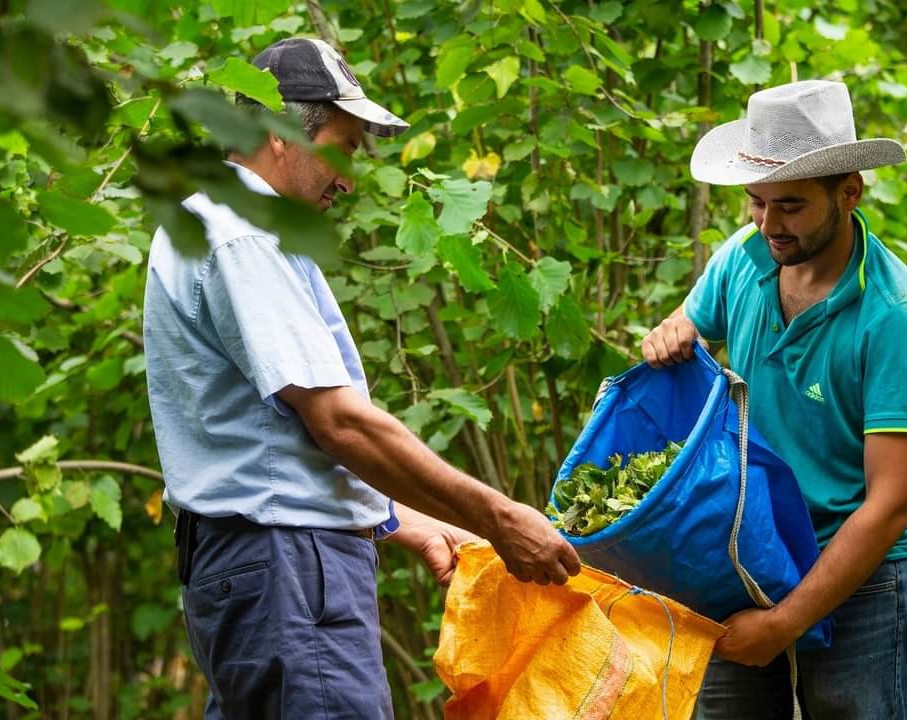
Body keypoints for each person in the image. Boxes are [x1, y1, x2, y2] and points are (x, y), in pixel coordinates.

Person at [143, 37, 580, 719]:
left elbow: (265, 446)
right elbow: (339, 423)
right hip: (288, 571)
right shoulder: (245, 235)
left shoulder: (218, 222)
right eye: (343, 149)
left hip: (261, 568)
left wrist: (400, 521)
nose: (347, 179)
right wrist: (498, 516)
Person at [642, 80, 907, 719]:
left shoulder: (898, 317)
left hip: (865, 578)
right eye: (755, 202)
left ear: (850, 192)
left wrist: (782, 627)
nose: (768, 224)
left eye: (791, 206)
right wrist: (670, 333)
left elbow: (890, 506)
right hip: (747, 559)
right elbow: (685, 327)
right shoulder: (745, 257)